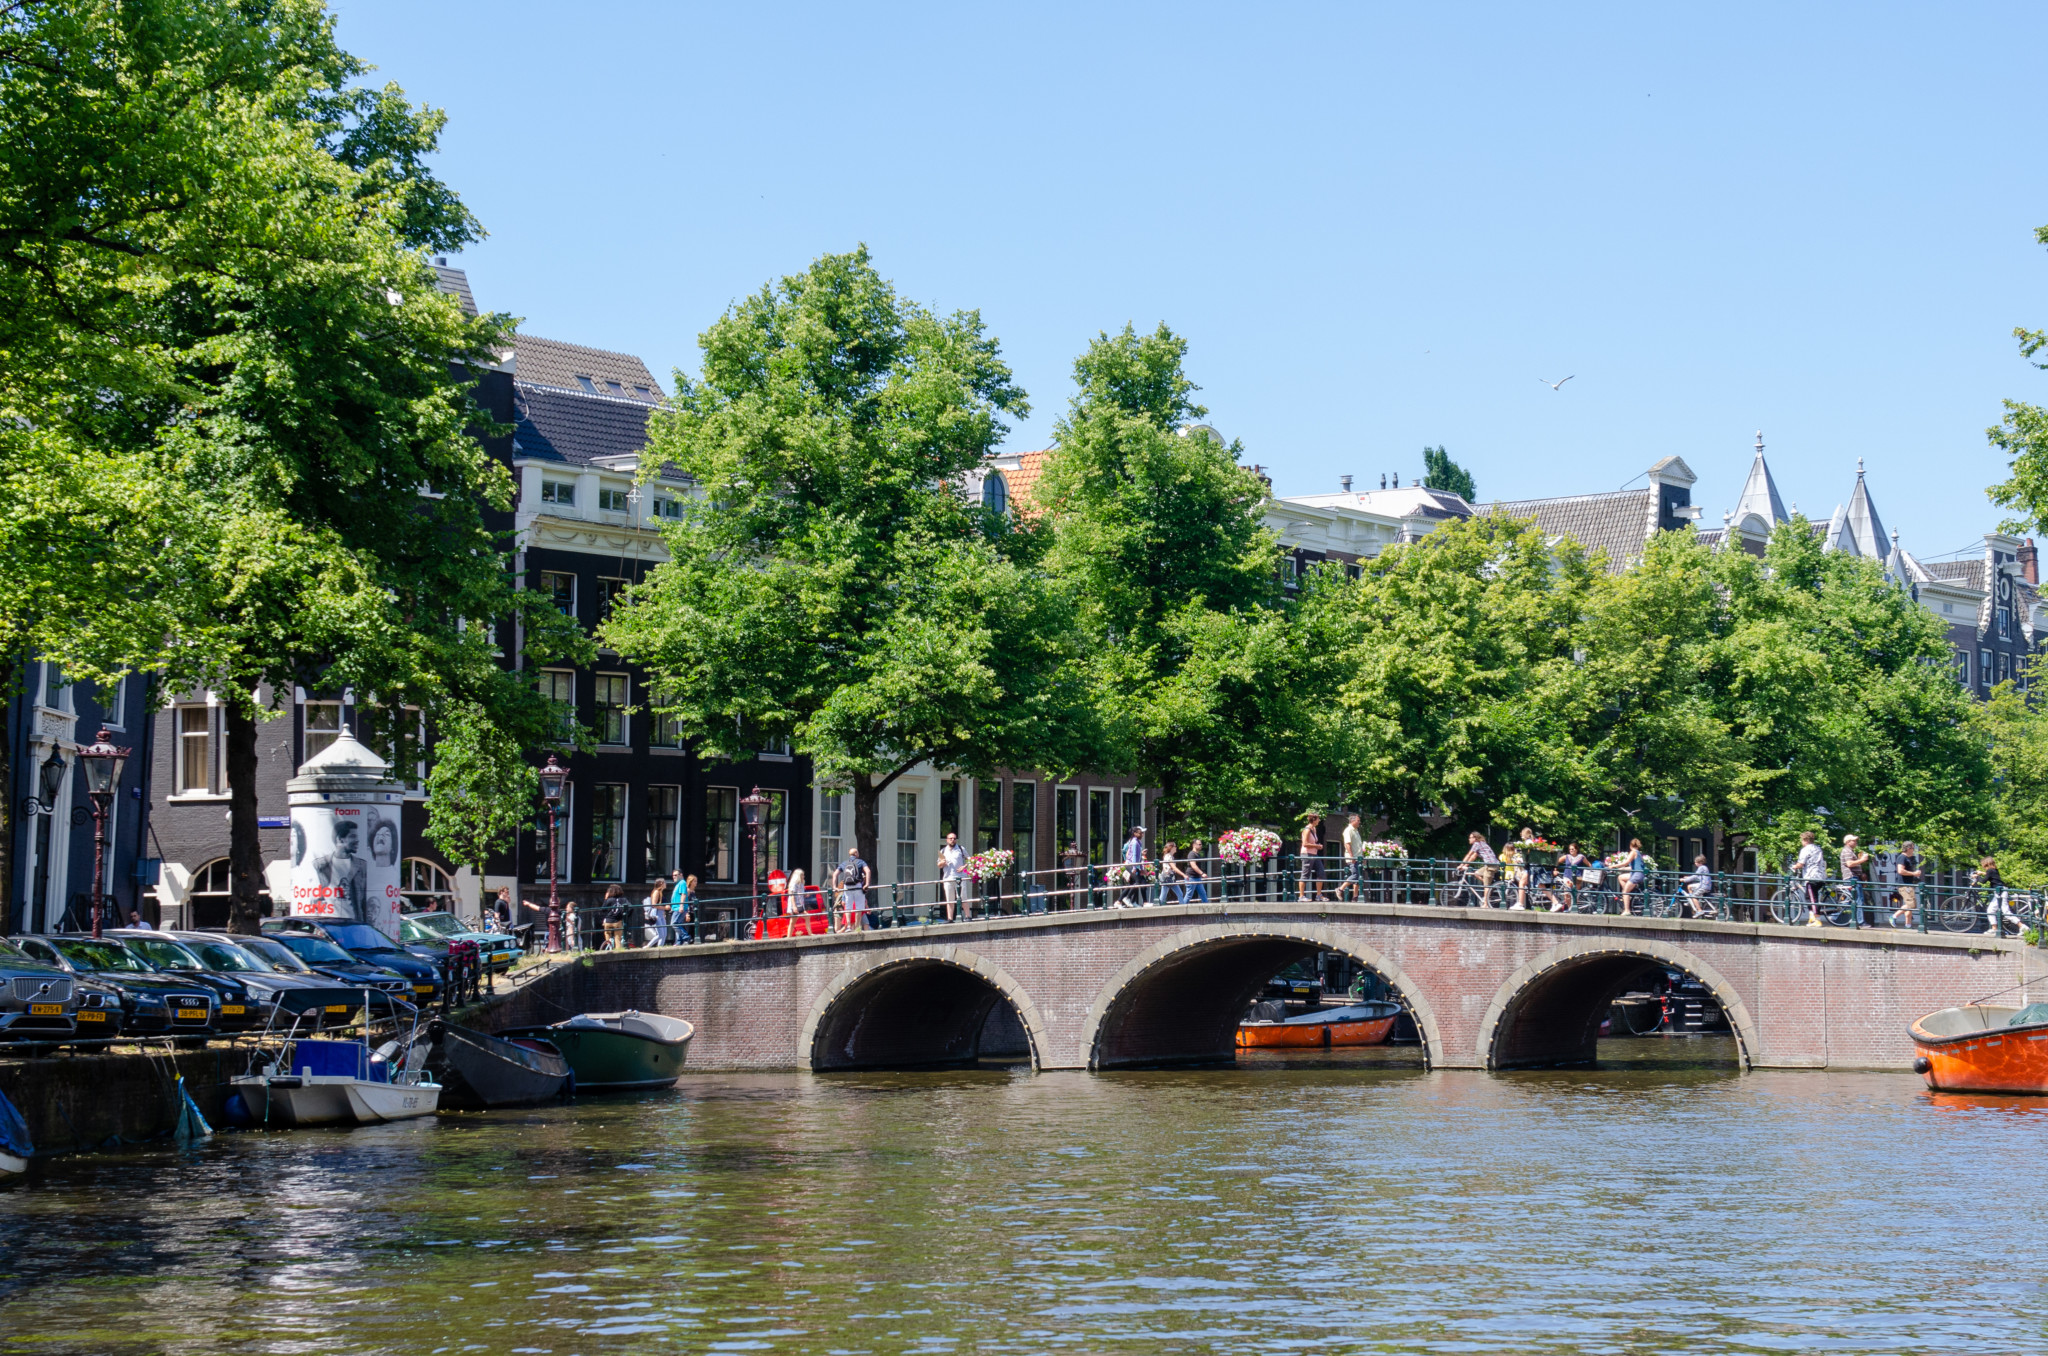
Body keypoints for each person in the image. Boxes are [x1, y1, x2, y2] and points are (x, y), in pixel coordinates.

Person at [1978, 856, 2019, 937]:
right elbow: (1990, 875)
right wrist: (1982, 873)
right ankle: (1994, 928)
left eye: (1983, 864)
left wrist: (1977, 876)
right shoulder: (1994, 870)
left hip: (2000, 892)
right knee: (1990, 910)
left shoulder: (1990, 870)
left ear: (1986, 864)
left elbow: (1983, 881)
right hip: (2000, 891)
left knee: (2006, 912)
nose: (1982, 866)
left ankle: (2022, 926)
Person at [1795, 831, 1828, 926]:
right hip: (1821, 876)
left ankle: (1817, 920)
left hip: (1811, 876)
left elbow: (1801, 863)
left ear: (1805, 840)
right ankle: (1811, 918)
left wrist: (1794, 866)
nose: (1801, 842)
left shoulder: (1805, 849)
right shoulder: (1818, 849)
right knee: (1809, 896)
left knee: (1812, 899)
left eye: (1802, 840)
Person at [836, 848, 871, 932]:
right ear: (856, 853)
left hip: (847, 887)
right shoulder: (860, 862)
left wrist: (834, 886)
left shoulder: (844, 863)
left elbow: (835, 874)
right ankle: (857, 927)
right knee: (859, 907)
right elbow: (868, 871)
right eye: (857, 852)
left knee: (848, 907)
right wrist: (867, 884)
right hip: (857, 886)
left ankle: (848, 927)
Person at [1840, 835, 1872, 926]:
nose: (1856, 842)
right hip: (1851, 878)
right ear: (1848, 842)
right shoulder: (1847, 851)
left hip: (1853, 877)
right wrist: (1862, 860)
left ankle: (1836, 915)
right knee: (1858, 899)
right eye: (1853, 841)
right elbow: (1849, 864)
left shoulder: (1850, 851)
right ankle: (1860, 922)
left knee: (1851, 900)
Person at [937, 831, 968, 922]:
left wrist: (964, 866)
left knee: (963, 897)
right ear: (947, 840)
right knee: (949, 899)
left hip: (960, 877)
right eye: (950, 838)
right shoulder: (943, 851)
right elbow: (939, 865)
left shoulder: (961, 849)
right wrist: (942, 863)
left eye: (954, 838)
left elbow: (970, 859)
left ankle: (968, 916)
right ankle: (950, 918)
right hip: (948, 878)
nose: (952, 840)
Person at [1462, 831, 1499, 907]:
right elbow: (1473, 857)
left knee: (1486, 886)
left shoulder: (1477, 844)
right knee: (1476, 873)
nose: (1469, 839)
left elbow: (1469, 854)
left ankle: (1486, 904)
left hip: (1491, 865)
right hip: (1489, 865)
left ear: (1475, 838)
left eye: (1470, 837)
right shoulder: (1481, 844)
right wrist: (1465, 865)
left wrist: (1461, 865)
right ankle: (1490, 887)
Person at [1891, 842, 1922, 929]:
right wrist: (1914, 873)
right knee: (1911, 905)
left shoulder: (1907, 858)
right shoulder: (1902, 857)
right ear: (1908, 848)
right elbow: (1900, 871)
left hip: (1908, 884)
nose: (1913, 850)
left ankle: (1908, 925)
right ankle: (1893, 916)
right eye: (1913, 848)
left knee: (1910, 905)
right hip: (1904, 885)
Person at [1338, 812, 1365, 900]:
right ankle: (1340, 889)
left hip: (1358, 858)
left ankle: (1355, 897)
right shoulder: (1348, 830)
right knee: (1356, 875)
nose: (1359, 822)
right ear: (1352, 821)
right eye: (1358, 820)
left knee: (1358, 877)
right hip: (1353, 858)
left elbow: (1358, 846)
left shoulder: (1356, 831)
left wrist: (1362, 856)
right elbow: (1347, 844)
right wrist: (1352, 856)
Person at [1299, 813, 1326, 902]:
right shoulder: (1307, 830)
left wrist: (1316, 846)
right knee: (1305, 874)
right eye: (1318, 819)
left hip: (1314, 854)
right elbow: (1305, 843)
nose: (1319, 821)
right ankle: (1301, 896)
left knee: (1321, 872)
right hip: (1307, 854)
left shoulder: (1314, 829)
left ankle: (1319, 895)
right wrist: (1316, 846)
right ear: (1314, 820)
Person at [1555, 844, 1587, 913]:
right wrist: (1555, 869)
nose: (1571, 850)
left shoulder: (1581, 857)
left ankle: (1575, 909)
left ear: (1576, 849)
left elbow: (1589, 865)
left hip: (1577, 878)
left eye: (1572, 849)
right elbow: (1557, 861)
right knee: (1566, 893)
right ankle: (1570, 908)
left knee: (1576, 894)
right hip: (1567, 876)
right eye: (1570, 849)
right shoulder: (1566, 856)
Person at [1618, 838, 1646, 916]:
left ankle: (1627, 910)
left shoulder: (1633, 852)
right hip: (1637, 873)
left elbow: (1626, 862)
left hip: (1636, 875)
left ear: (1630, 845)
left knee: (1625, 891)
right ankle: (1628, 894)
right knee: (1621, 877)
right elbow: (1633, 867)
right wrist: (1621, 869)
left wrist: (1613, 866)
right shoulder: (1638, 853)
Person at [1183, 838, 1212, 904]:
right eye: (1199, 844)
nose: (1201, 846)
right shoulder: (1192, 854)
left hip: (1197, 877)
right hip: (1191, 877)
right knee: (1189, 895)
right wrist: (1202, 873)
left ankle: (1206, 907)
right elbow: (1193, 865)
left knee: (1203, 893)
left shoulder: (1197, 854)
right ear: (1194, 845)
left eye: (1201, 844)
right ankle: (1182, 908)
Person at [600, 883, 627, 951]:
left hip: (608, 921)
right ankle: (618, 952)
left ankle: (609, 945)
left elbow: (603, 909)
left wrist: (606, 899)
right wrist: (625, 916)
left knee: (607, 933)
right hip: (617, 922)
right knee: (617, 938)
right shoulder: (623, 900)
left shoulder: (609, 900)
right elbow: (631, 908)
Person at [670, 874, 697, 943]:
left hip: (692, 911)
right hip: (686, 910)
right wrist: (687, 913)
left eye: (696, 881)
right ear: (690, 882)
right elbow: (685, 900)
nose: (696, 883)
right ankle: (685, 938)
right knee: (676, 924)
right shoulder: (687, 890)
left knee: (681, 925)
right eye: (694, 881)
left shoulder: (693, 891)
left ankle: (681, 941)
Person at [647, 874, 672, 946]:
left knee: (664, 934)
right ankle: (647, 946)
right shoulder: (656, 892)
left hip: (661, 914)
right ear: (661, 883)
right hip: (656, 914)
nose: (666, 884)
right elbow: (654, 904)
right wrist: (665, 908)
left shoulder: (660, 892)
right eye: (665, 882)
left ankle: (660, 948)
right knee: (660, 934)